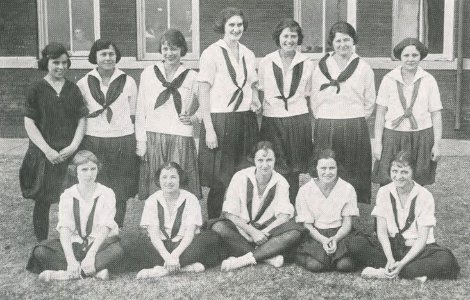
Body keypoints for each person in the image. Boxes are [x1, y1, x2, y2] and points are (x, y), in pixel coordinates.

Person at [347, 151, 460, 280]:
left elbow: (422, 240)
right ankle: (405, 271)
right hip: (390, 247)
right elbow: (382, 232)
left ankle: (388, 272)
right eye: (394, 171)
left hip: (417, 250)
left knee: (446, 260)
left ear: (413, 173)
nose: (398, 176)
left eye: (404, 172)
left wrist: (402, 263)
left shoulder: (425, 196)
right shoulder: (384, 192)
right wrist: (390, 258)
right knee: (355, 243)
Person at [197, 7, 260, 219]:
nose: (236, 29)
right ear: (223, 26)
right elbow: (203, 92)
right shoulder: (211, 53)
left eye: (239, 25)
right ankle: (214, 224)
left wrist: (256, 99)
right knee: (219, 180)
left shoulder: (248, 54)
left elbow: (252, 84)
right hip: (220, 120)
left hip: (245, 120)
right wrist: (209, 129)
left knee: (244, 175)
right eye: (231, 24)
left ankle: (242, 223)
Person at [20, 43, 87, 241]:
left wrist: (74, 146)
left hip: (69, 152)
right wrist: (47, 150)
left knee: (74, 197)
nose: (61, 67)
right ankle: (42, 242)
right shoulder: (35, 89)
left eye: (65, 63)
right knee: (43, 199)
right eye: (55, 62)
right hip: (44, 154)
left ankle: (77, 239)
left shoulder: (73, 89)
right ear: (46, 62)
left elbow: (82, 119)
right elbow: (29, 122)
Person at [27, 150, 124, 281]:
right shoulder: (67, 195)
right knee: (40, 251)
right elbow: (65, 229)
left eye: (93, 169)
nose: (89, 174)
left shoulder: (107, 193)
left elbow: (105, 227)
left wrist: (91, 254)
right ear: (75, 171)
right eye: (84, 170)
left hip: (99, 244)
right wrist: (71, 259)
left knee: (117, 251)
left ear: (98, 169)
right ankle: (92, 272)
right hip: (75, 244)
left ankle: (64, 275)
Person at [209, 141, 304, 271]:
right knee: (218, 227)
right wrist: (252, 232)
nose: (265, 165)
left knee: (295, 232)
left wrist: (263, 233)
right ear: (254, 160)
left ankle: (243, 260)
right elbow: (229, 213)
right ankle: (267, 256)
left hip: (268, 231)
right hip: (242, 229)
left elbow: (284, 216)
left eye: (269, 160)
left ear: (275, 160)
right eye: (260, 160)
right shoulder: (240, 176)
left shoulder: (281, 181)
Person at [310, 21, 375, 204]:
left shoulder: (363, 67)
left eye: (346, 40)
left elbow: (369, 101)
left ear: (353, 41)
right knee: (327, 167)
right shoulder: (322, 65)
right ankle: (324, 206)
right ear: (332, 43)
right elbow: (314, 98)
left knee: (353, 168)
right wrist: (325, 117)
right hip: (326, 123)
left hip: (354, 123)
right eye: (338, 41)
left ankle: (350, 210)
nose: (342, 45)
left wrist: (354, 117)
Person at [121, 162, 222, 279]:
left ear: (180, 179)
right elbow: (153, 236)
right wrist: (168, 258)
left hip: (184, 246)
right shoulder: (152, 200)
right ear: (158, 180)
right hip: (159, 247)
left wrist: (175, 255)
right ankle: (184, 268)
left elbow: (190, 234)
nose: (168, 182)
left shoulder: (190, 199)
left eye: (173, 177)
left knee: (212, 238)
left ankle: (162, 270)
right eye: (164, 177)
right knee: (128, 239)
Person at [77, 39, 139, 227]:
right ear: (95, 57)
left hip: (122, 140)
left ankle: (116, 228)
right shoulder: (83, 83)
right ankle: (95, 228)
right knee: (95, 186)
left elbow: (134, 113)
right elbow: (80, 115)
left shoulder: (128, 81)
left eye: (111, 54)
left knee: (119, 189)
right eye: (103, 54)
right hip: (94, 140)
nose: (108, 58)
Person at [136, 29, 202, 200]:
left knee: (179, 184)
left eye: (174, 48)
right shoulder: (148, 73)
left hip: (180, 136)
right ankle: (156, 222)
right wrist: (141, 140)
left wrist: (194, 118)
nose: (169, 53)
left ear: (182, 50)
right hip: (154, 135)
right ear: (161, 50)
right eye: (165, 48)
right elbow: (140, 109)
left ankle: (181, 221)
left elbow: (207, 105)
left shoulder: (192, 76)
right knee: (157, 184)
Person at [373, 38, 442, 186]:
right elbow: (380, 113)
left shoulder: (428, 80)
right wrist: (377, 143)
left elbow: (436, 114)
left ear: (420, 57)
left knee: (417, 178)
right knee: (389, 178)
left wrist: (437, 144)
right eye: (406, 55)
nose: (410, 59)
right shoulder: (389, 79)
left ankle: (413, 207)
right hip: (393, 135)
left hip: (421, 136)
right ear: (400, 57)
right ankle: (389, 207)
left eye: (415, 55)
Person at [258, 18, 313, 204]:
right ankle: (272, 207)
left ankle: (291, 209)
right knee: (273, 164)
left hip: (298, 119)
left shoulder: (306, 62)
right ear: (278, 37)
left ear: (299, 39)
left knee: (294, 169)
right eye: (285, 36)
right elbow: (261, 89)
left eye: (293, 36)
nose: (289, 40)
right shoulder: (267, 61)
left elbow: (308, 91)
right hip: (273, 119)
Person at [294, 149, 359, 272]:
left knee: (344, 265)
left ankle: (336, 258)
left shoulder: (347, 188)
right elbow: (307, 224)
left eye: (332, 168)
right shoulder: (305, 190)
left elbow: (347, 223)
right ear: (316, 168)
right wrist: (323, 240)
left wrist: (335, 239)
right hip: (315, 234)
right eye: (323, 168)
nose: (327, 172)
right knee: (315, 266)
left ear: (337, 168)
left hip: (340, 233)